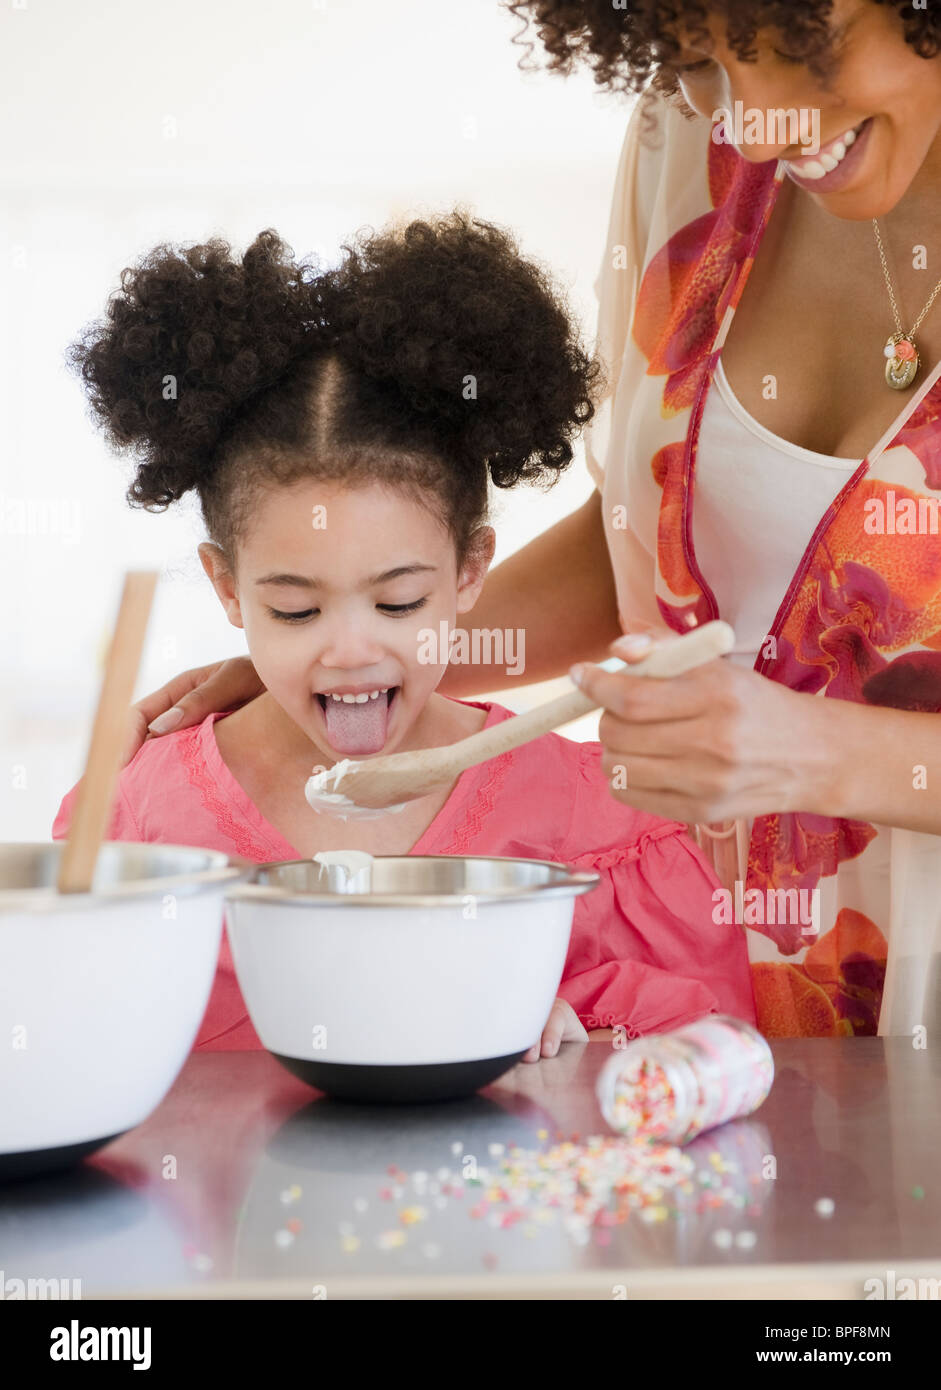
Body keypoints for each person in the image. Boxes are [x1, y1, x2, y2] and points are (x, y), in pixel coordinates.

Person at [129, 1, 941, 1039]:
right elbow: (660, 542)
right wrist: (368, 650)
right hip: (732, 980)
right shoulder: (683, 143)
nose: (755, 121)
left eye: (800, 47)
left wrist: (824, 755)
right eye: (701, 60)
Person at [54, 212, 755, 1056]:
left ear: (469, 570)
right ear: (226, 587)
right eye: (295, 611)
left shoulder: (597, 822)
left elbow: (711, 1064)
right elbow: (68, 1033)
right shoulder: (138, 814)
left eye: (396, 604)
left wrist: (591, 1046)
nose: (350, 650)